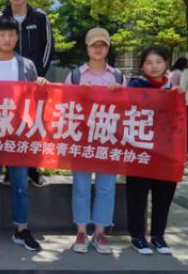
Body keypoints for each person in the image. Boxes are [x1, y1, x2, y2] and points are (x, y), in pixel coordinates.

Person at [0, 15, 48, 252]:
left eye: (11, 34)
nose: (6, 38)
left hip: (19, 134)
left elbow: (37, 101)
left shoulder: (27, 66)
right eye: (2, 34)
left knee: (21, 185)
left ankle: (21, 229)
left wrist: (41, 86)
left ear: (17, 37)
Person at [65, 28, 127, 254]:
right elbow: (64, 106)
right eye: (94, 45)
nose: (98, 49)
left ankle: (100, 232)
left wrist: (119, 94)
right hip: (82, 139)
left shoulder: (118, 77)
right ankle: (81, 231)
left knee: (106, 188)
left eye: (102, 45)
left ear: (108, 48)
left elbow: (129, 110)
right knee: (81, 187)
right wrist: (79, 94)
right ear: (87, 47)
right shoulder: (75, 76)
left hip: (108, 139)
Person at [0, 0, 54, 187]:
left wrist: (39, 75)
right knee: (8, 124)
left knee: (33, 125)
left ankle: (32, 169)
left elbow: (48, 47)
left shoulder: (39, 17)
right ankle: (9, 170)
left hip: (34, 83)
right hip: (8, 83)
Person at [126, 46, 184, 255]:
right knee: (137, 197)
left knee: (163, 196)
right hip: (140, 151)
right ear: (142, 66)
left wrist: (179, 96)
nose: (154, 66)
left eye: (158, 62)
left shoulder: (173, 90)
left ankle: (158, 236)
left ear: (166, 64)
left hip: (165, 153)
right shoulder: (134, 86)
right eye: (149, 62)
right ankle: (137, 237)